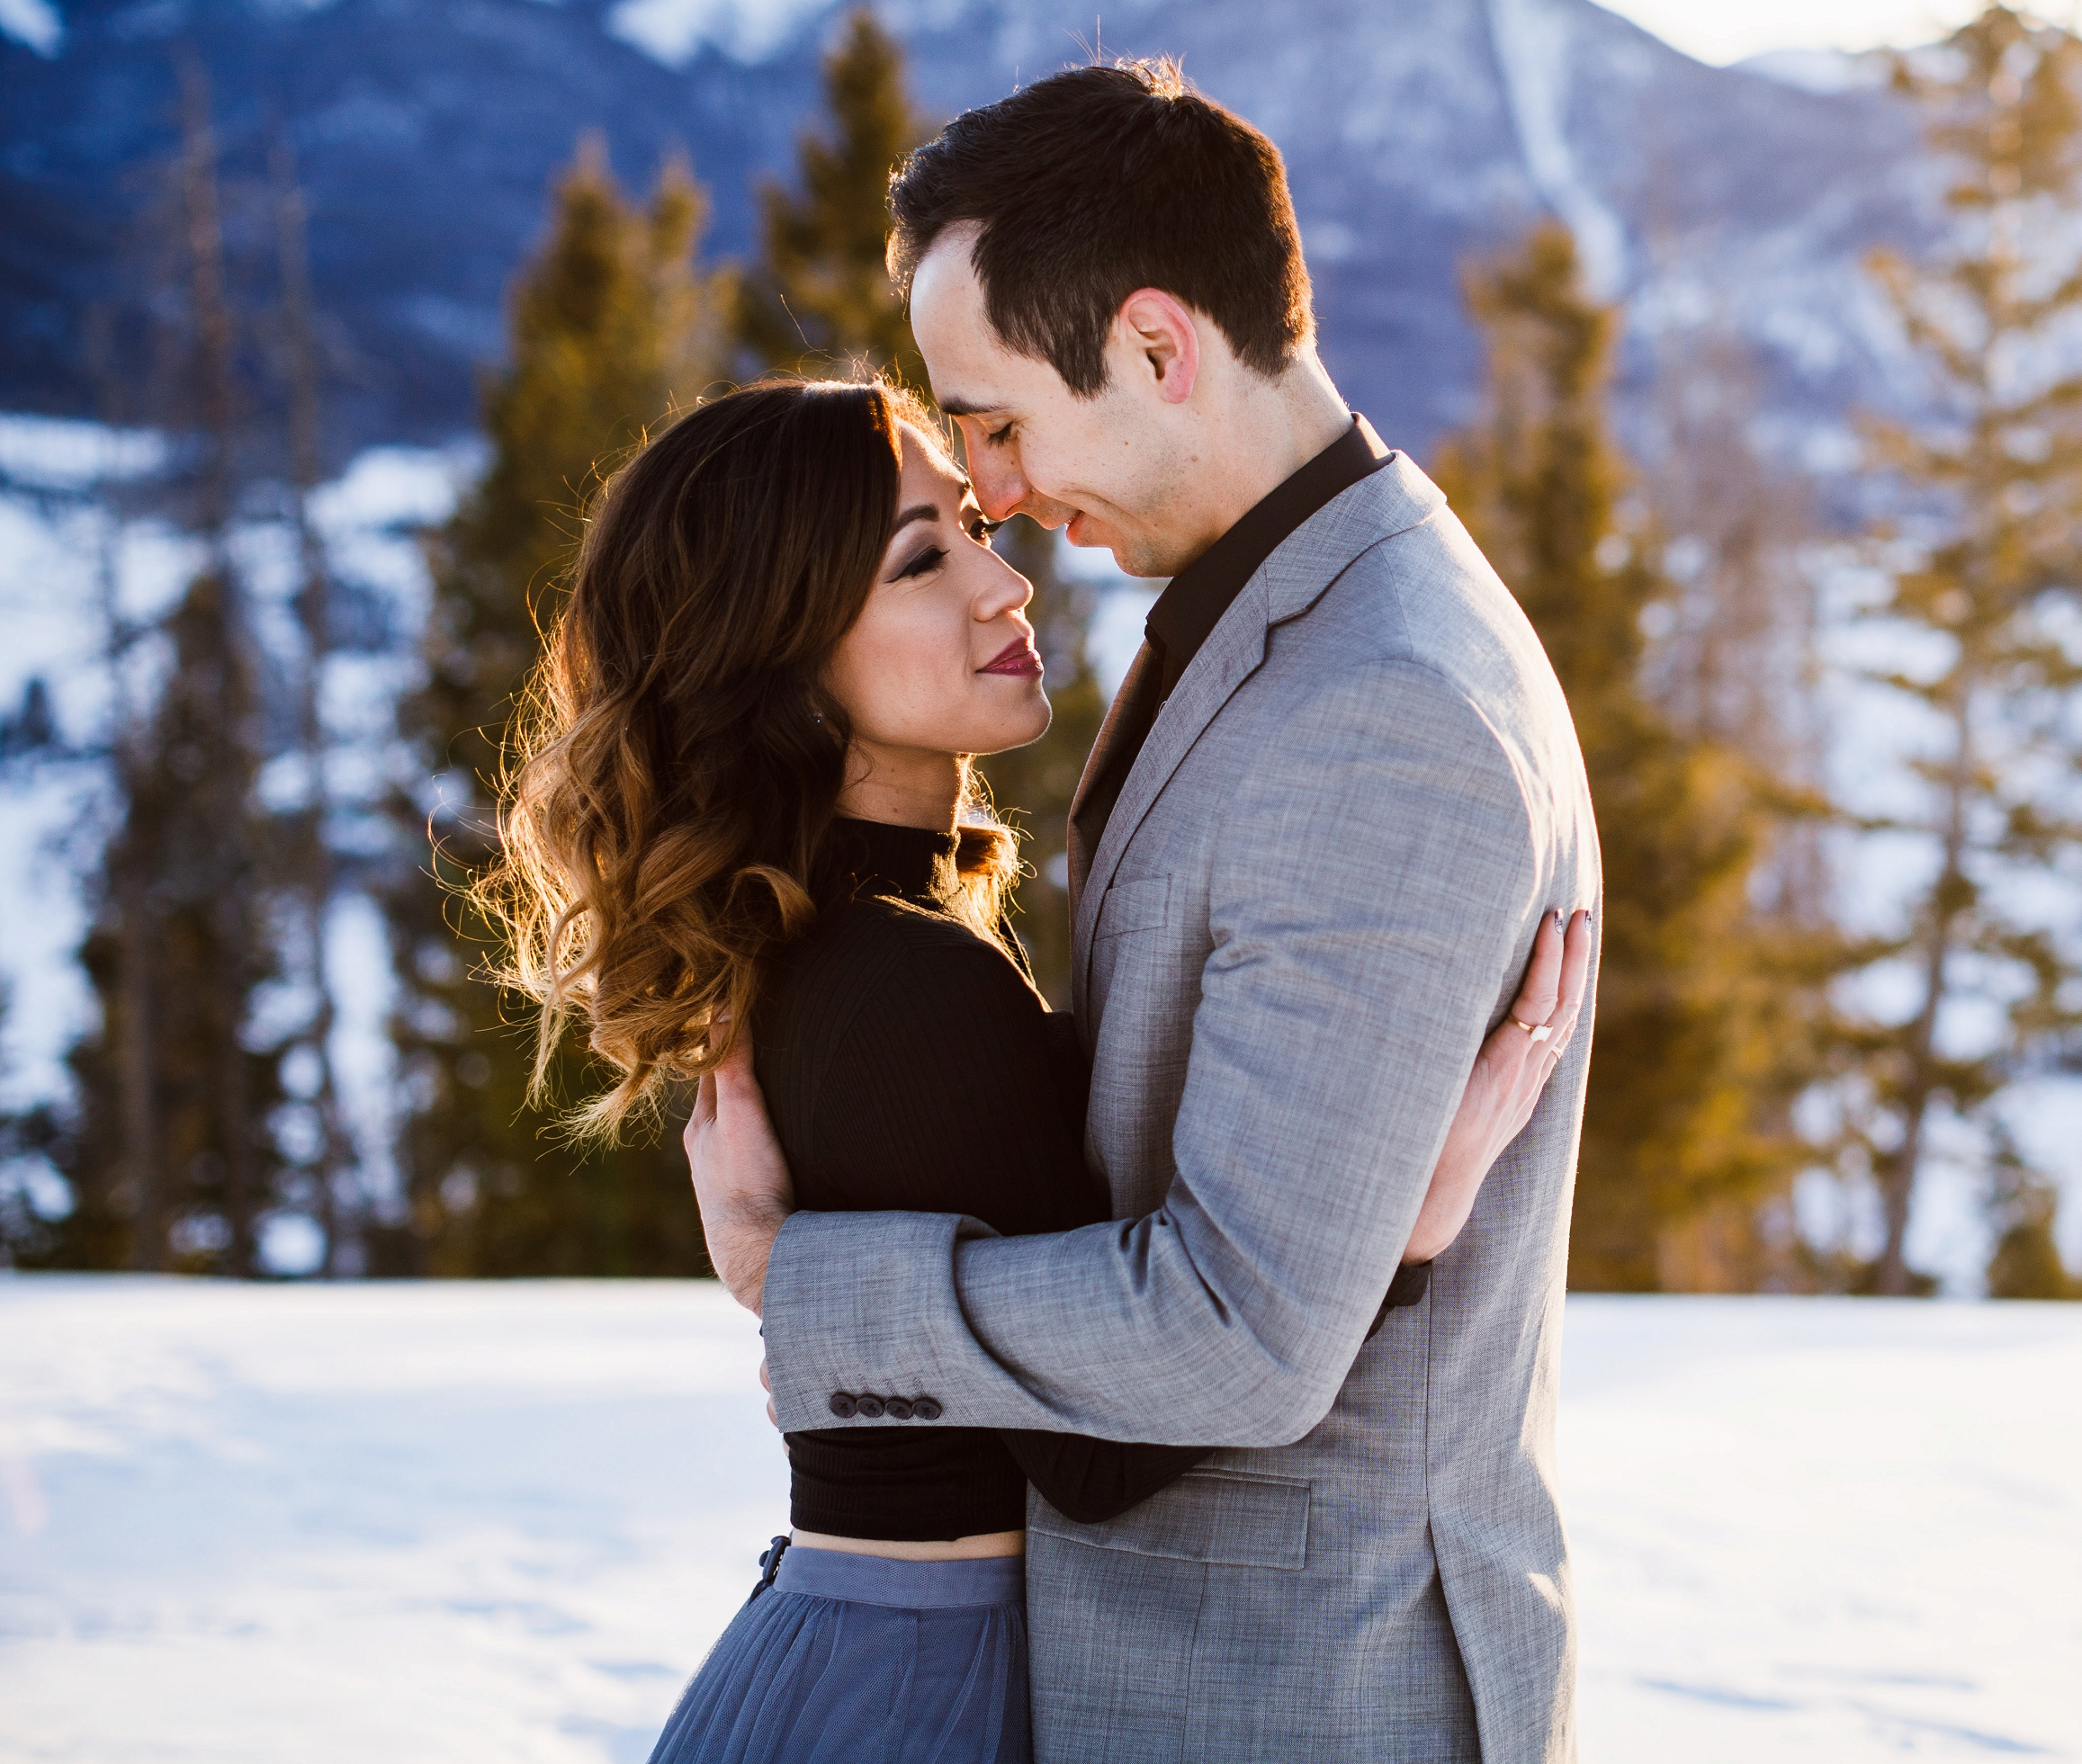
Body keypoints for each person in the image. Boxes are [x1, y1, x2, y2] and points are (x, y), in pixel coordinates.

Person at [684, 59, 1602, 1763]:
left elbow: (1241, 1338)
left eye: (1002, 424)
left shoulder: (1381, 704)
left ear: (1161, 348)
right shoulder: (1282, 620)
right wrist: (1377, 1214)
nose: (1002, 494)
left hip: (1298, 1692)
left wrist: (798, 1283)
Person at [489, 372, 1589, 1763]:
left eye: (973, 527)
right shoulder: (902, 984)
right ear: (779, 652)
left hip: (894, 1655)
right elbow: (1099, 1452)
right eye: (922, 559)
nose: (1004, 584)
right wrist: (1402, 1220)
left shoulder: (860, 942)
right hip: (916, 1688)